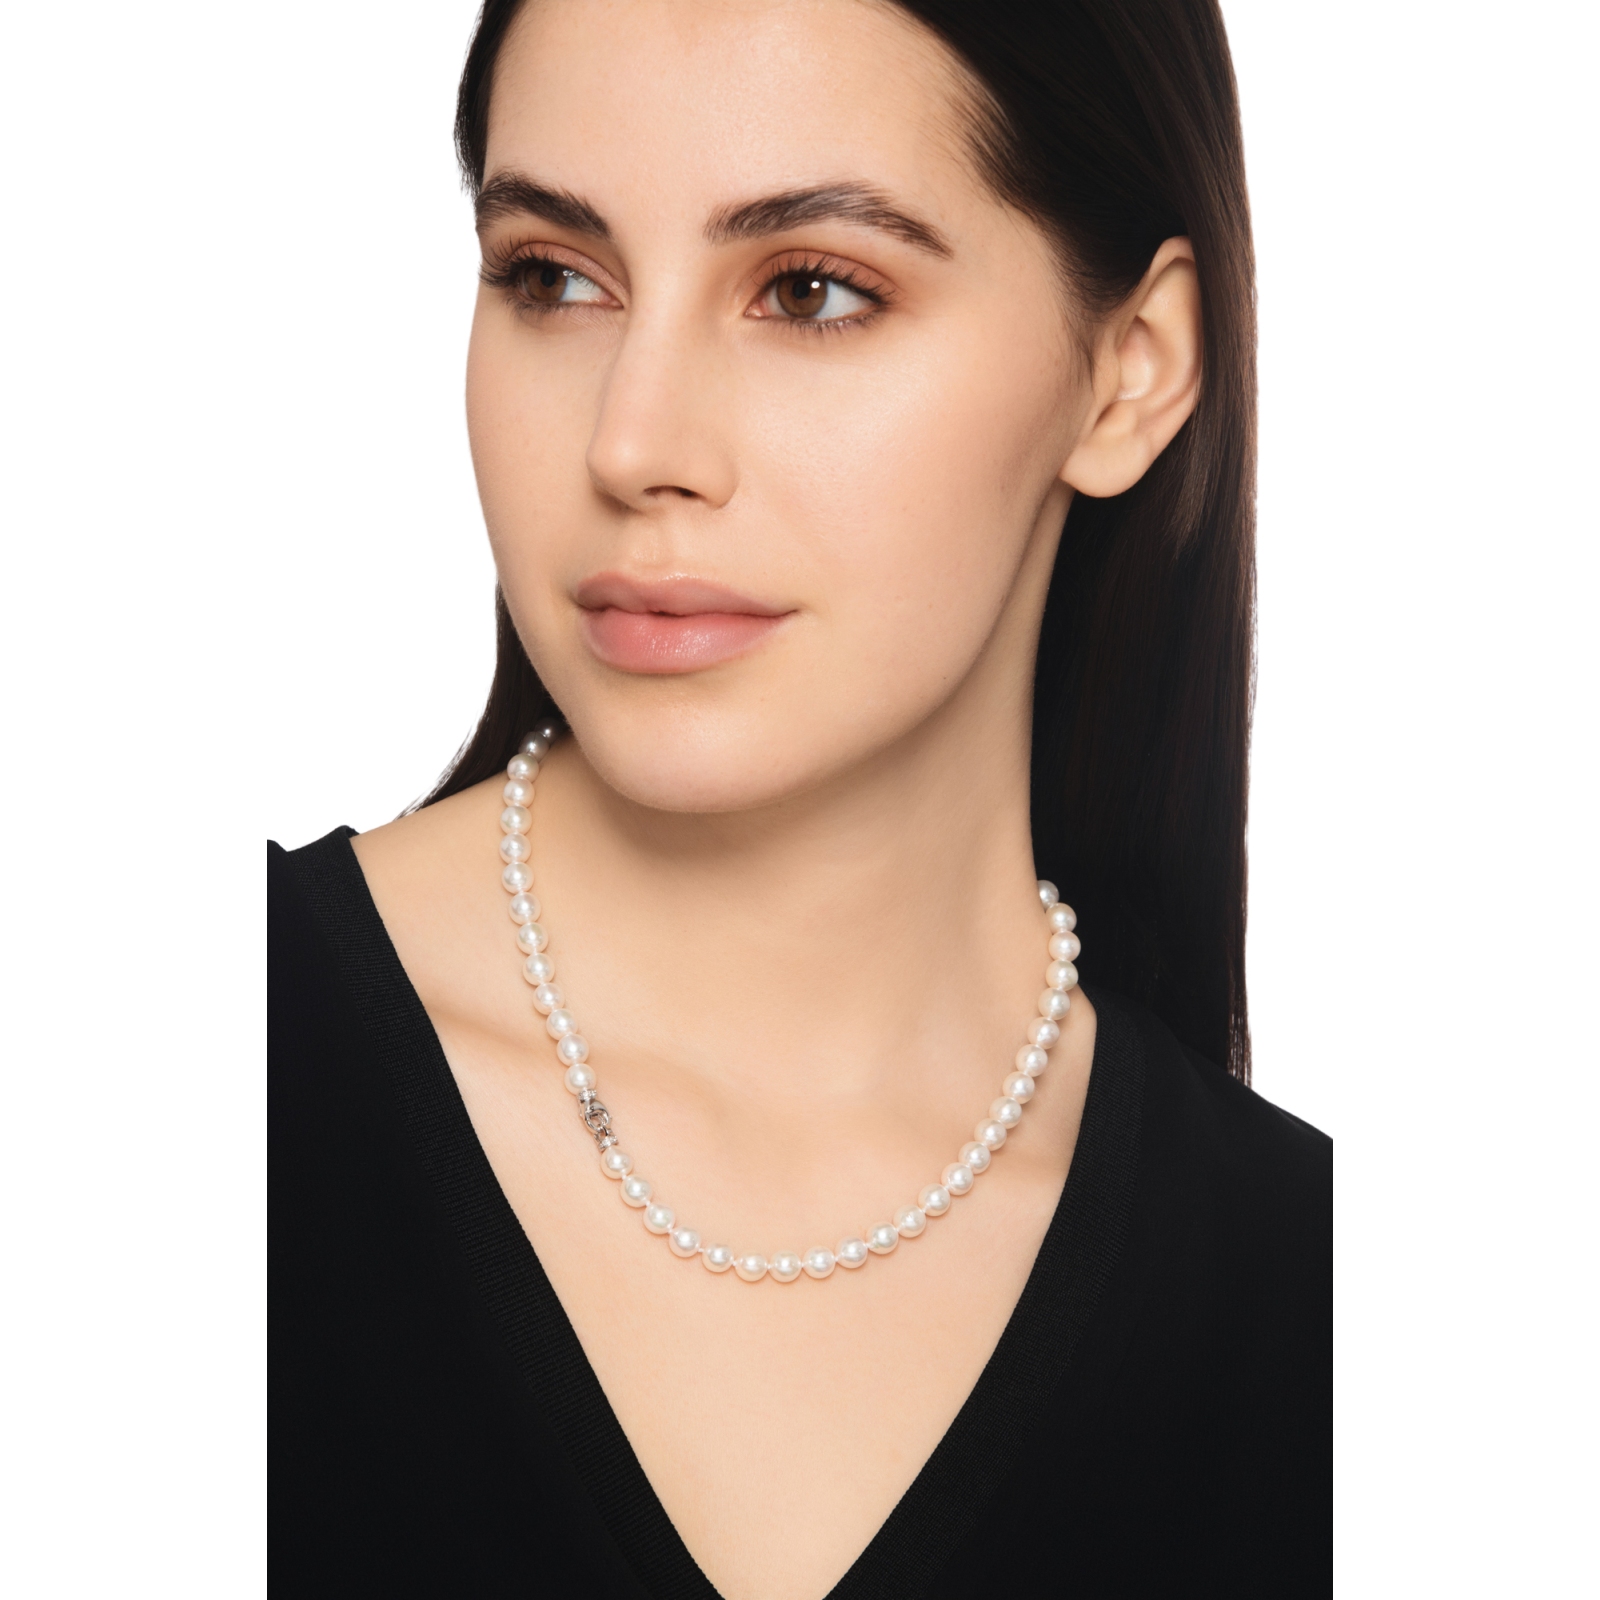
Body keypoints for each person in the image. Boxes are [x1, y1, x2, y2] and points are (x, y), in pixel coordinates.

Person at [269, 1, 1331, 1594]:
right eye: (553, 277)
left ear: (1129, 373)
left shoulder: (1331, 1325)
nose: (634, 442)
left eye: (811, 290)